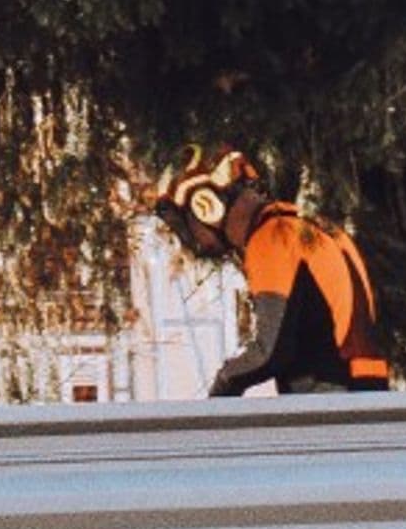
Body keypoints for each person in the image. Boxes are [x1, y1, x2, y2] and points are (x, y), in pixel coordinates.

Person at [152, 150, 390, 394]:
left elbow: (272, 350)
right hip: (366, 392)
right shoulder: (317, 228)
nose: (189, 240)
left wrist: (225, 381)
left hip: (328, 402)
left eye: (184, 226)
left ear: (206, 206)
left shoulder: (271, 239)